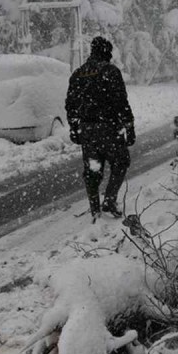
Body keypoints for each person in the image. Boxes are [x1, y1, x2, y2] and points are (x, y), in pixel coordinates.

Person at [65, 36, 135, 221]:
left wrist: (74, 128)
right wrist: (129, 126)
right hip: (109, 128)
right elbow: (122, 103)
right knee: (120, 162)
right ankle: (110, 200)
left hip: (87, 131)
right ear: (107, 52)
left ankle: (94, 208)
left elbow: (70, 105)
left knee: (93, 170)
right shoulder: (111, 72)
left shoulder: (78, 74)